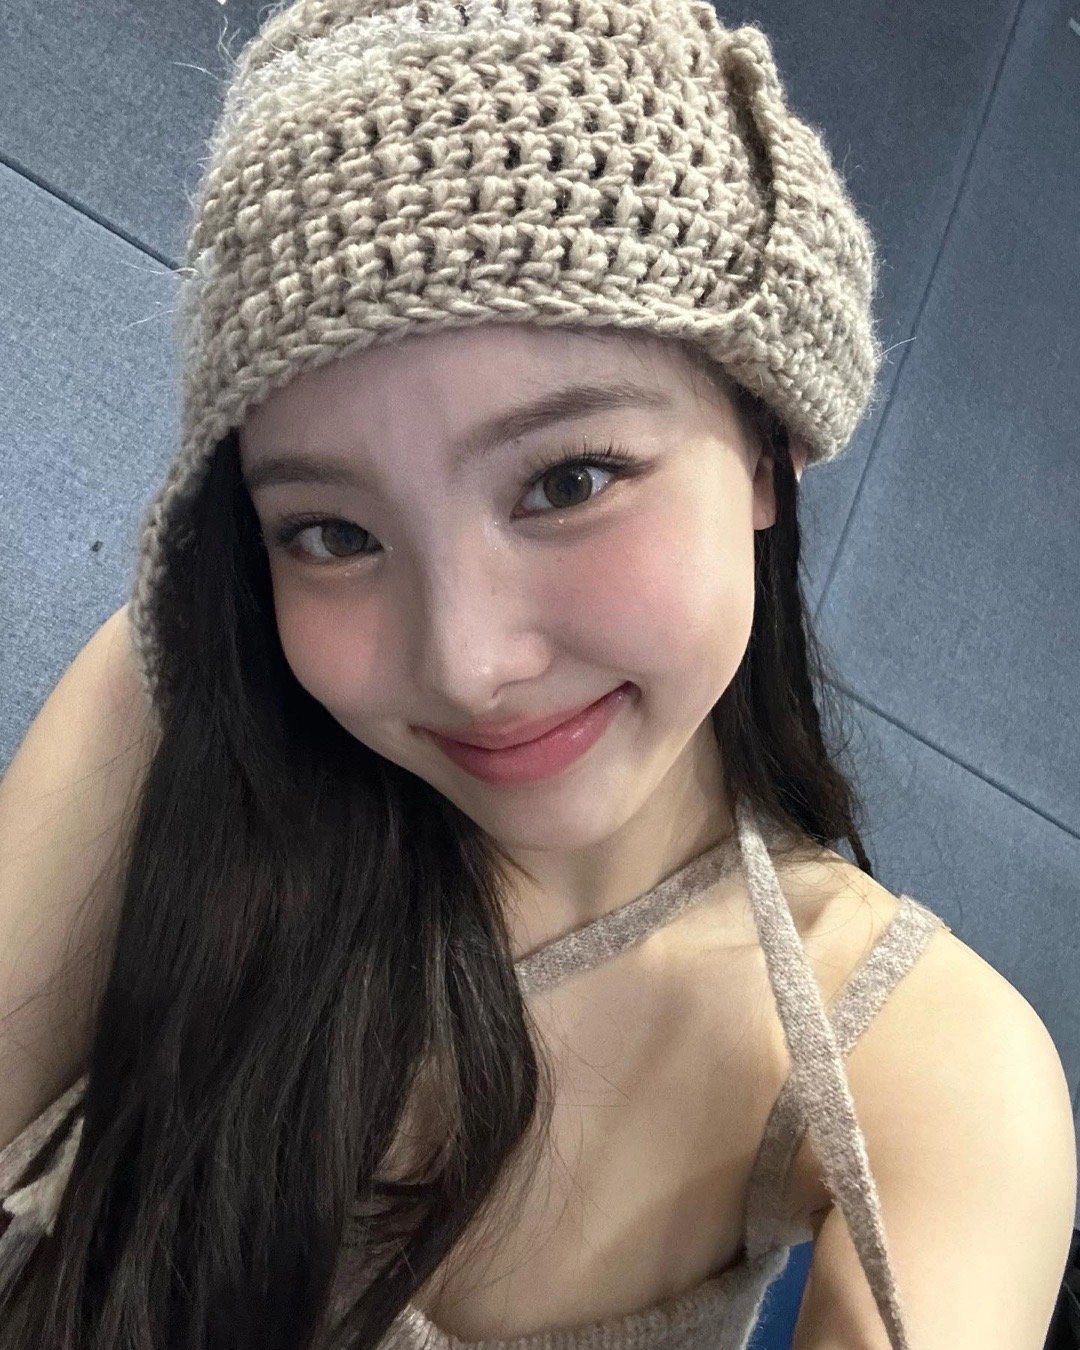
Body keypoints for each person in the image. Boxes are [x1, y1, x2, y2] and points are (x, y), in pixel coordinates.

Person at [0, 1, 1073, 1347]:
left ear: (766, 444)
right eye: (332, 533)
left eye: (568, 481)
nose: (465, 664)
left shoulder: (915, 1064)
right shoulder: (184, 713)